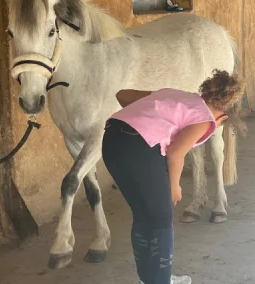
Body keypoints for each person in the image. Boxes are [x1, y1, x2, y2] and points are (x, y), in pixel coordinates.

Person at [102, 69, 246, 284]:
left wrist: (149, 115)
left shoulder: (175, 96)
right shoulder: (206, 119)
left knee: (144, 215)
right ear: (223, 117)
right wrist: (174, 186)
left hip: (112, 140)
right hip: (139, 147)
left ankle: (152, 279)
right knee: (160, 218)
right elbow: (175, 153)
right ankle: (160, 280)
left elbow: (122, 94)